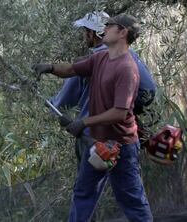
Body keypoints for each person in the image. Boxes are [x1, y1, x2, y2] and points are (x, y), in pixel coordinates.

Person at [33, 14, 153, 221]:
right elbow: (71, 69)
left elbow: (120, 112)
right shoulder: (100, 57)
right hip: (96, 143)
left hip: (121, 146)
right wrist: (50, 68)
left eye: (109, 25)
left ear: (123, 32)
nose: (104, 28)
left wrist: (84, 122)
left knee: (131, 200)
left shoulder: (127, 68)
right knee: (83, 195)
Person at [48, 11, 156, 165]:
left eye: (86, 31)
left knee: (86, 187)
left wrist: (52, 104)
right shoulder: (130, 55)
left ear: (92, 33)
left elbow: (63, 101)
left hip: (93, 136)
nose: (85, 36)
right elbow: (148, 90)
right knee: (126, 185)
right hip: (122, 137)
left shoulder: (92, 61)